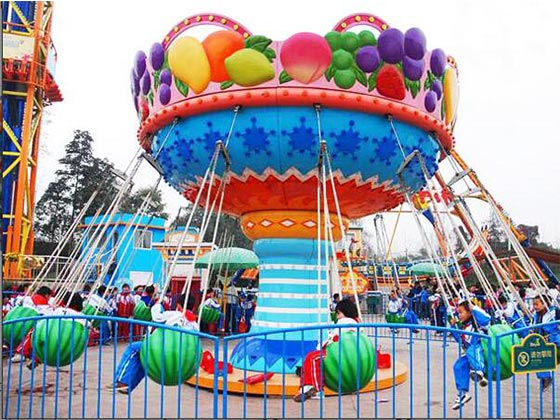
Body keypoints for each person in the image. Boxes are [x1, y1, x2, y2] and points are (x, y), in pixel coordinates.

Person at [107, 294, 197, 394]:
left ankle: (121, 380)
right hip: (184, 357)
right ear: (193, 307)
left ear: (179, 305)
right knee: (144, 357)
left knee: (133, 348)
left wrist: (157, 305)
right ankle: (126, 385)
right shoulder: (194, 323)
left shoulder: (175, 314)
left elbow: (157, 317)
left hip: (167, 350)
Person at [293, 298, 360, 402]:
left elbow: (334, 338)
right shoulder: (355, 323)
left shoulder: (346, 322)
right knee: (310, 358)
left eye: (339, 313)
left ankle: (317, 389)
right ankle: (305, 387)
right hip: (343, 351)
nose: (337, 316)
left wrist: (322, 345)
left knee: (313, 358)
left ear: (346, 312)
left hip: (340, 352)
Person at [450, 301, 488, 410]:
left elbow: (486, 319)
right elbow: (460, 340)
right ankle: (463, 393)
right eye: (458, 313)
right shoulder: (464, 327)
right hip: (469, 353)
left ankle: (479, 371)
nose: (459, 315)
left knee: (472, 350)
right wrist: (453, 327)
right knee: (458, 366)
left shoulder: (477, 323)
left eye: (461, 312)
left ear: (470, 312)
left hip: (481, 349)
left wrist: (474, 308)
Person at [531, 295, 559, 392]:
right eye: (534, 304)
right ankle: (545, 377)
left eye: (537, 304)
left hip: (555, 338)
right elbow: (534, 328)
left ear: (545, 304)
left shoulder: (554, 313)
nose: (535, 306)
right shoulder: (536, 316)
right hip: (543, 342)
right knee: (536, 356)